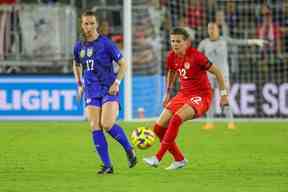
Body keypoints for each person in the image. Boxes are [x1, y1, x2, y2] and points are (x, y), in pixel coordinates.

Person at [143, 27, 229, 170]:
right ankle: (179, 160)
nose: (175, 44)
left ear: (187, 42)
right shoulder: (171, 56)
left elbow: (218, 72)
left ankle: (157, 158)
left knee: (176, 119)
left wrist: (224, 94)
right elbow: (171, 72)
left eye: (178, 41)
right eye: (172, 41)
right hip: (183, 95)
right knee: (158, 128)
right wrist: (167, 93)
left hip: (201, 96)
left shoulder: (197, 56)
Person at [72, 10, 137, 174]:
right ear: (82, 25)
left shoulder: (106, 44)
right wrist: (79, 83)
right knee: (95, 126)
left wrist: (117, 82)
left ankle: (129, 149)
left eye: (92, 23)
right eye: (86, 23)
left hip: (109, 88)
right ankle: (107, 165)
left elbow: (123, 64)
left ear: (97, 25)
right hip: (91, 90)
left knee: (107, 124)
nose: (89, 27)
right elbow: (76, 64)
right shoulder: (78, 46)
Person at [198, 22, 266, 130]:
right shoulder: (204, 43)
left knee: (224, 98)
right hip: (209, 77)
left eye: (213, 28)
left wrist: (255, 41)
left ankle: (230, 122)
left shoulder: (224, 40)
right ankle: (209, 122)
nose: (211, 30)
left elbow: (239, 42)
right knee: (209, 100)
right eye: (209, 28)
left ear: (218, 30)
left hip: (223, 77)